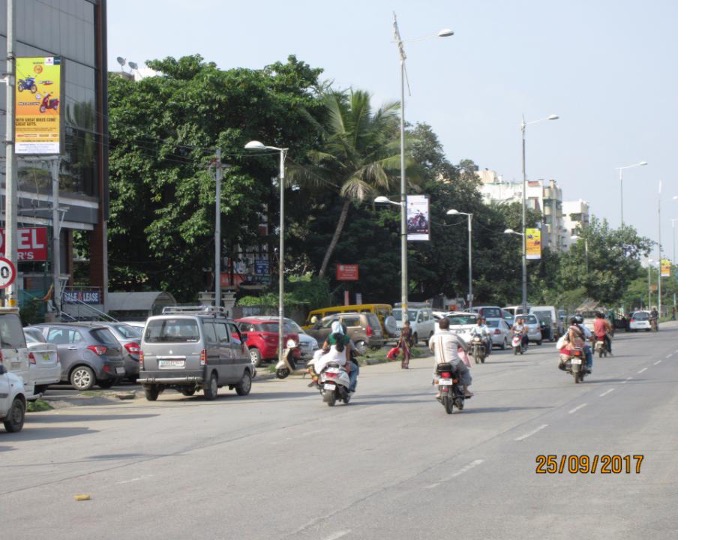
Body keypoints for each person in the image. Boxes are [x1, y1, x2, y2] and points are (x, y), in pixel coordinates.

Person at [428, 318, 473, 398]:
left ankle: (439, 391)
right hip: (454, 362)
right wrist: (466, 349)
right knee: (465, 371)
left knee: (436, 374)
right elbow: (465, 347)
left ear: (439, 326)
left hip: (439, 363)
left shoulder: (433, 337)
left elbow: (431, 349)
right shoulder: (454, 336)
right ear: (449, 326)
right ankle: (465, 390)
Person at [323, 321, 359, 393]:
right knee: (355, 369)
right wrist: (347, 363)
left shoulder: (330, 337)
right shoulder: (346, 338)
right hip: (342, 362)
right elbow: (348, 352)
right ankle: (350, 386)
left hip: (329, 361)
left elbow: (324, 348)